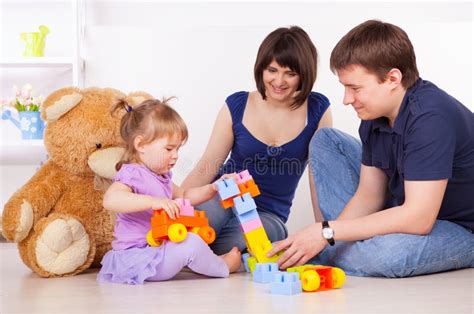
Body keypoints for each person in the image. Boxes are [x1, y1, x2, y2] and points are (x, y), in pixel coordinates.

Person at [268, 20, 474, 277]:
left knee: (387, 255)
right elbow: (369, 196)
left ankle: (337, 250)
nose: (346, 99)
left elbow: (419, 218)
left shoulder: (430, 118)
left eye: (355, 88)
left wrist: (326, 233)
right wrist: (325, 232)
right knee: (326, 140)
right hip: (403, 205)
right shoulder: (373, 115)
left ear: (392, 79)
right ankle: (337, 248)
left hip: (460, 226)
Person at [181, 26, 332, 255]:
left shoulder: (318, 109)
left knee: (241, 241)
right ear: (261, 69)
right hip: (222, 195)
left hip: (268, 215)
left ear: (304, 74)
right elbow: (208, 163)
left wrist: (324, 234)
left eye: (290, 73)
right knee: (198, 227)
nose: (278, 81)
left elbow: (318, 180)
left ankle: (208, 258)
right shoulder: (238, 104)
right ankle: (200, 255)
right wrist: (175, 203)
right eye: (272, 70)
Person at [97, 98, 241, 285]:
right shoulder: (133, 174)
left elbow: (184, 196)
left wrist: (213, 188)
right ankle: (222, 266)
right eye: (169, 148)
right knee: (191, 243)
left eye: (178, 149)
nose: (175, 156)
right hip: (138, 257)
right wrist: (153, 201)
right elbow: (111, 199)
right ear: (141, 145)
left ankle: (209, 261)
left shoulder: (160, 176)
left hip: (158, 250)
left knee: (192, 238)